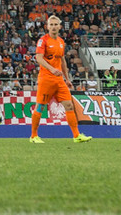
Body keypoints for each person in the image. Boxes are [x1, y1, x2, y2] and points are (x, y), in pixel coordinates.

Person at [30, 15, 92, 144]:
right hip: (46, 79)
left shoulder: (61, 41)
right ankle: (33, 136)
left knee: (69, 105)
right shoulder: (43, 40)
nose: (53, 27)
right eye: (51, 24)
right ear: (47, 26)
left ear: (59, 26)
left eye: (55, 24)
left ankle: (76, 136)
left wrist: (67, 78)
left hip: (59, 80)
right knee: (40, 106)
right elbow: (39, 58)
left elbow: (62, 61)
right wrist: (52, 69)